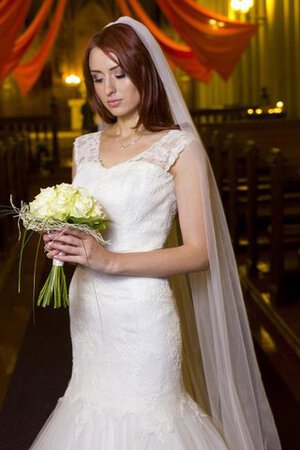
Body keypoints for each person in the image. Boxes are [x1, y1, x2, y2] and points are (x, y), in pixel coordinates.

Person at [31, 17, 281, 450]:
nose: (108, 88)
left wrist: (109, 260)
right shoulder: (83, 147)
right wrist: (61, 241)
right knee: (90, 407)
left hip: (143, 311)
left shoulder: (179, 147)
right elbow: (82, 223)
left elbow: (199, 253)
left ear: (144, 72)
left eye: (120, 74)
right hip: (89, 304)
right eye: (98, 77)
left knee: (151, 416)